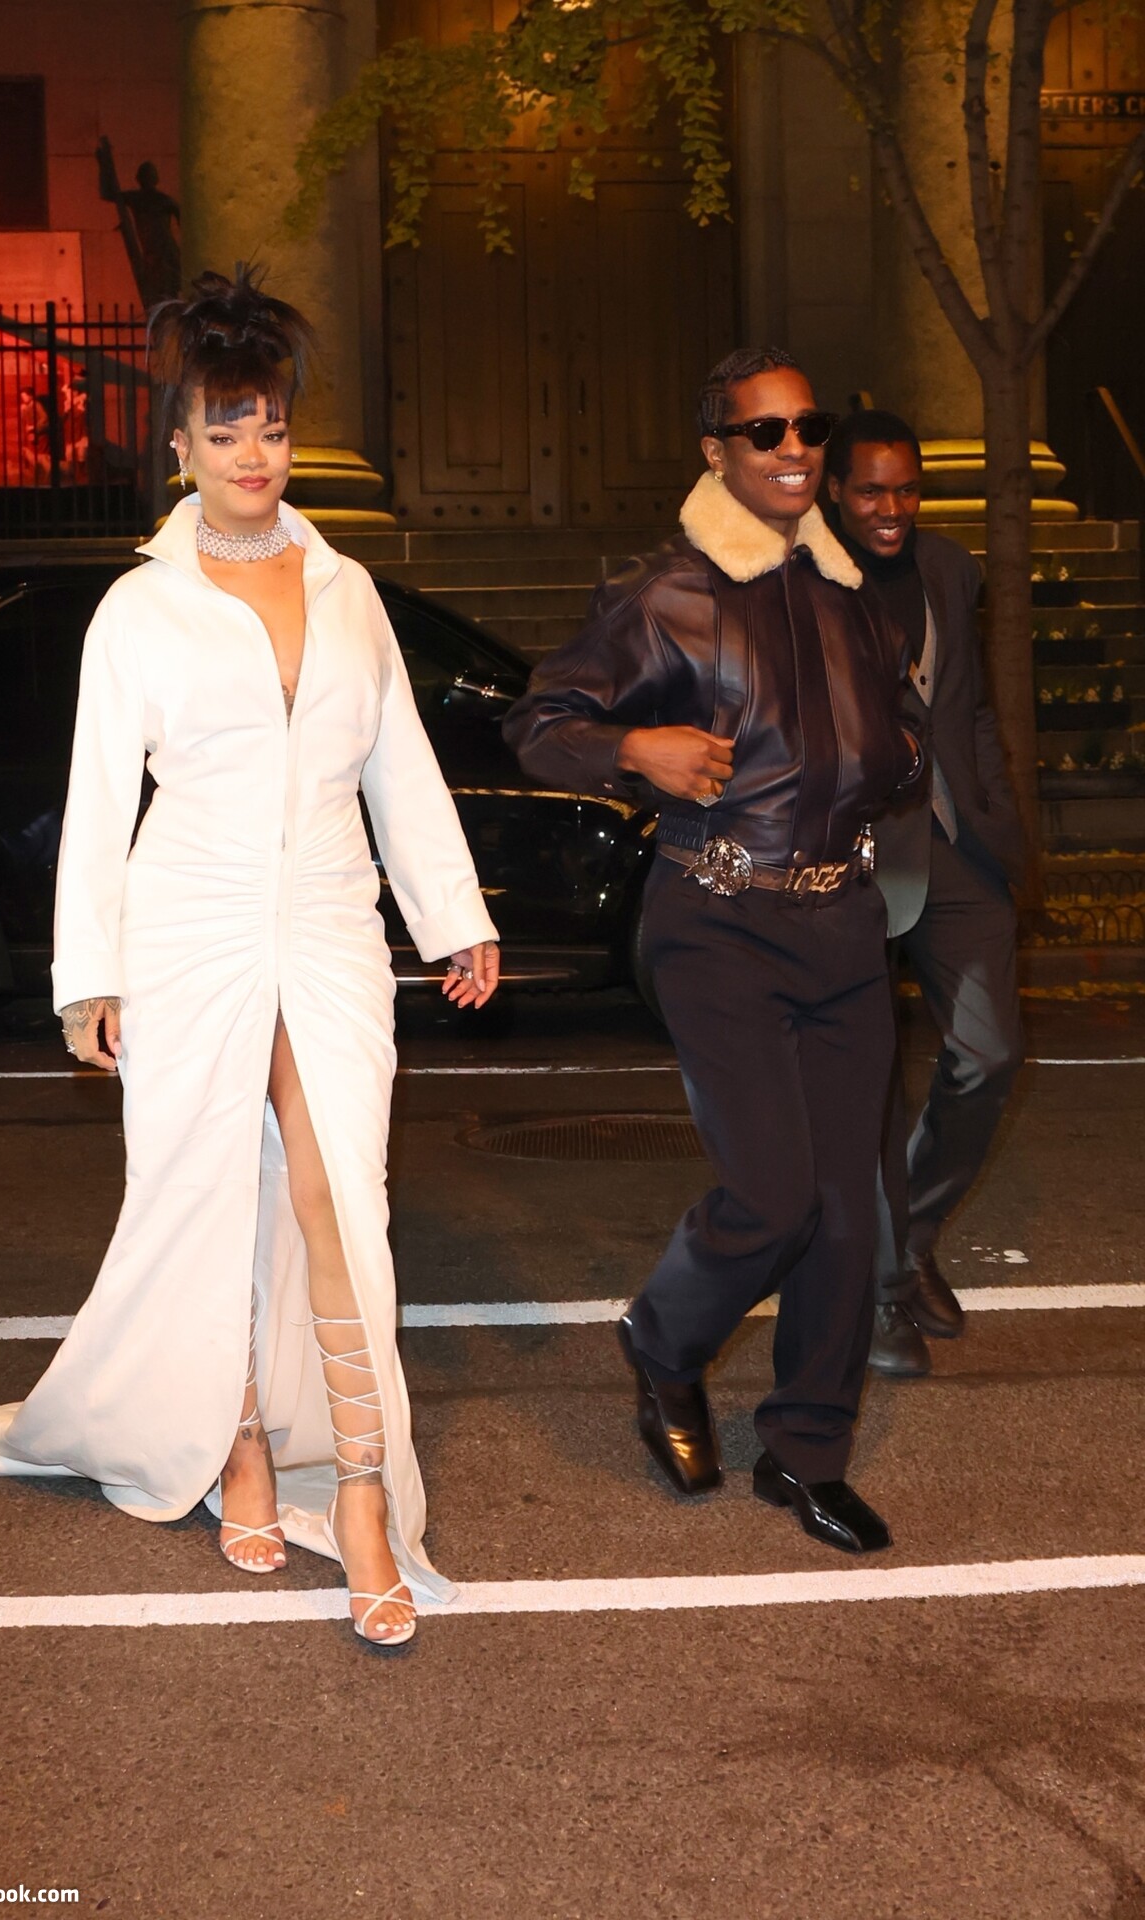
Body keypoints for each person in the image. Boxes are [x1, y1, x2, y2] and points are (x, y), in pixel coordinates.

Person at [0, 267, 500, 1648]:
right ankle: (239, 1442)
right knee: (206, 1203)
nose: (254, 453)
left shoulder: (348, 588)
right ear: (181, 446)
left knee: (338, 1199)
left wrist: (454, 915)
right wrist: (88, 976)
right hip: (187, 926)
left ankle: (362, 1493)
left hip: (329, 920)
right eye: (225, 428)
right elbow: (97, 800)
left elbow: (399, 762)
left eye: (272, 427)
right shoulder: (138, 609)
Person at [504, 348, 923, 1555]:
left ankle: (805, 1453)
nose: (792, 450)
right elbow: (538, 722)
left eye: (808, 429)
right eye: (763, 432)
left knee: (845, 1214)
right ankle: (663, 1340)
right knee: (773, 1195)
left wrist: (894, 752)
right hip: (716, 919)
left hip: (841, 921)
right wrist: (634, 752)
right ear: (716, 451)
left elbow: (894, 732)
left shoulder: (851, 589)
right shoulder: (663, 595)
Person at [824, 411, 1025, 1377]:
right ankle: (878, 1293)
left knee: (989, 1053)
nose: (891, 508)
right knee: (868, 1085)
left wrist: (996, 819)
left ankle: (910, 1239)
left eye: (906, 489)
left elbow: (968, 705)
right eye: (871, 490)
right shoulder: (800, 578)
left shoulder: (949, 567)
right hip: (850, 859)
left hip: (954, 847)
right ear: (835, 490)